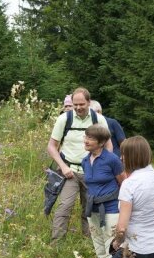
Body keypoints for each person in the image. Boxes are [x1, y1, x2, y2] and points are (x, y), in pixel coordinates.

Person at [47, 87, 111, 243]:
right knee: (64, 207)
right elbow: (51, 146)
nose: (78, 108)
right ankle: (56, 244)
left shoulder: (99, 120)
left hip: (92, 173)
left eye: (82, 104)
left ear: (89, 102)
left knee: (89, 210)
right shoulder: (64, 119)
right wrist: (63, 167)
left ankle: (90, 244)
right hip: (70, 171)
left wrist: (101, 167)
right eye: (75, 104)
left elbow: (108, 146)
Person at [82, 125, 125, 258]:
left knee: (111, 245)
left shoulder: (112, 159)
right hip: (92, 208)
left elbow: (123, 183)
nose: (86, 141)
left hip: (111, 208)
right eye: (86, 137)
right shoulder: (85, 161)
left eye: (91, 138)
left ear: (101, 143)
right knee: (98, 243)